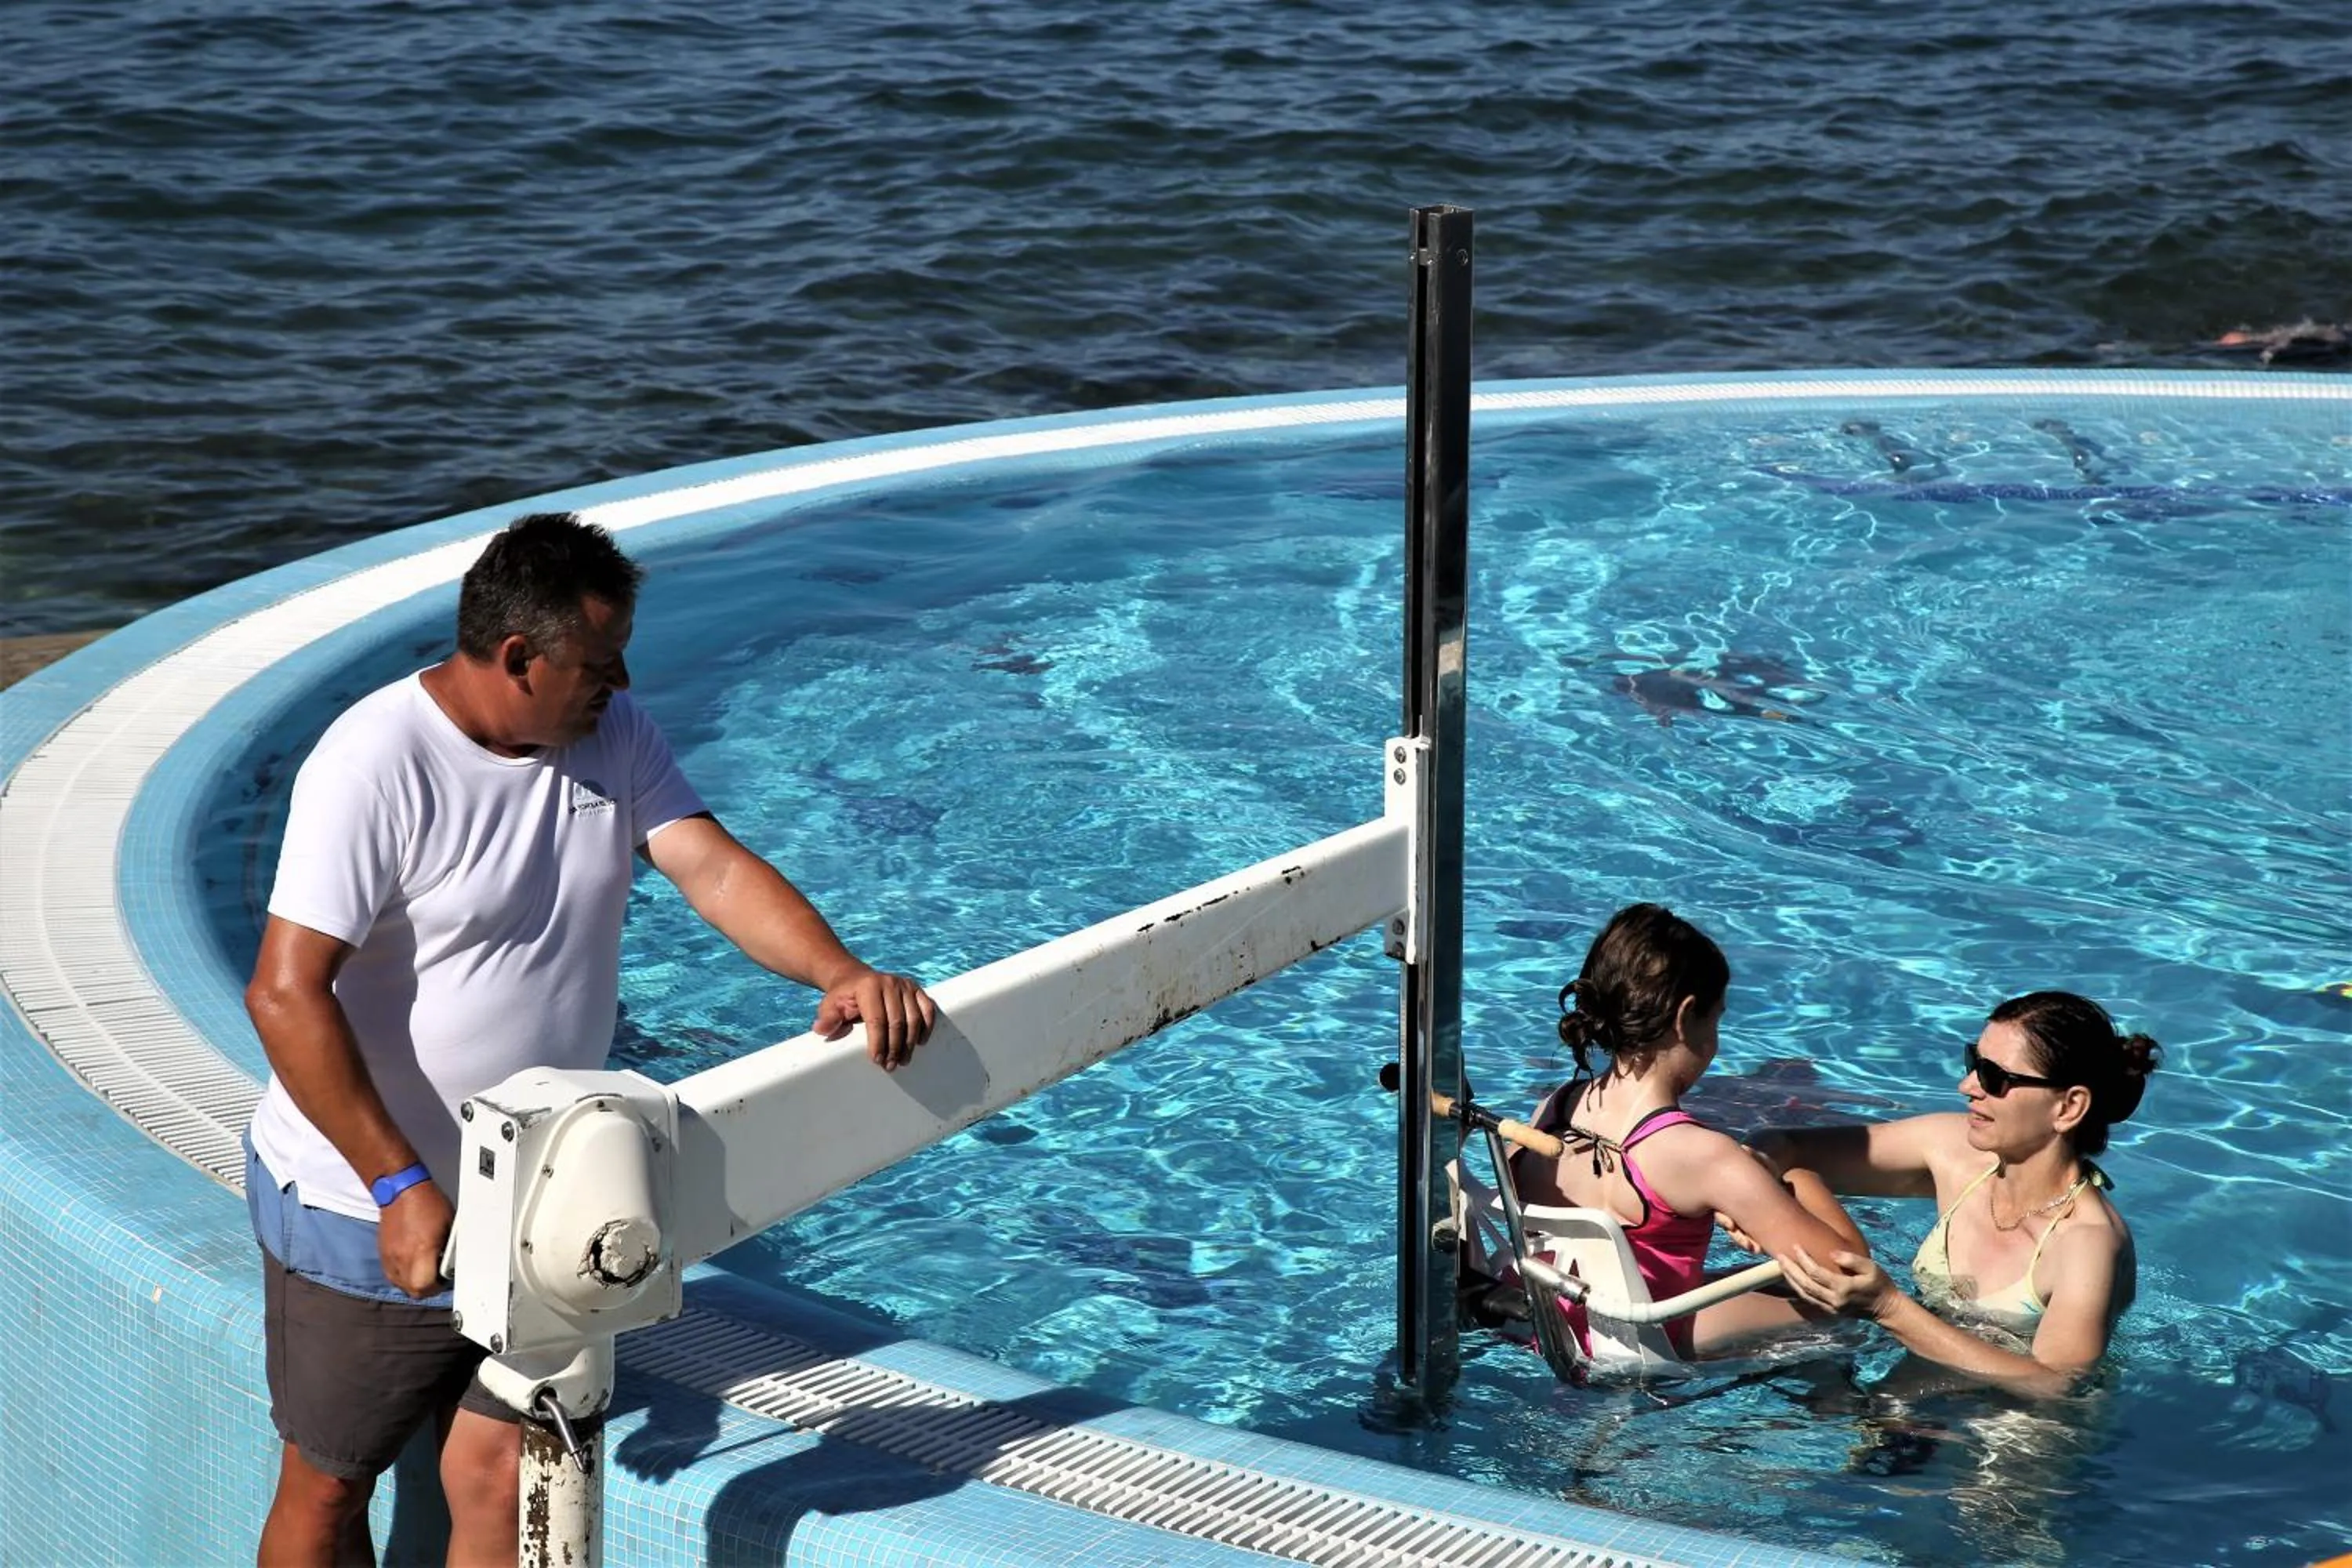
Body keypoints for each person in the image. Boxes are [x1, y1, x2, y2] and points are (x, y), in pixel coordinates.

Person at [241, 511, 938, 1566]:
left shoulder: (611, 732)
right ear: (519, 658)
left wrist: (838, 970)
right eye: (600, 665)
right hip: (367, 1206)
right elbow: (284, 995)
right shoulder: (374, 763)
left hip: (539, 1199)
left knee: (502, 1472)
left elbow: (711, 866)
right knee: (331, 1489)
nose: (619, 685)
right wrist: (395, 1185)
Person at [1506, 903, 1870, 1360]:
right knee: (1849, 1318)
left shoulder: (1552, 1108)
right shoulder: (1705, 1157)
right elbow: (1850, 1277)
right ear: (1686, 1016)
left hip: (1543, 1326)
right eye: (1716, 1019)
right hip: (1642, 1342)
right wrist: (1790, 1175)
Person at [1752, 991, 2160, 1397]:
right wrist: (1748, 1195)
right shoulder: (1955, 1153)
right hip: (1910, 1386)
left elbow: (2056, 1383)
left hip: (2013, 1432)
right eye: (1973, 1062)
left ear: (2068, 1107)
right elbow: (1785, 1144)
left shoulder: (2086, 1244)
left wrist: (1888, 1308)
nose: (1967, 1085)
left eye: (1995, 1077)